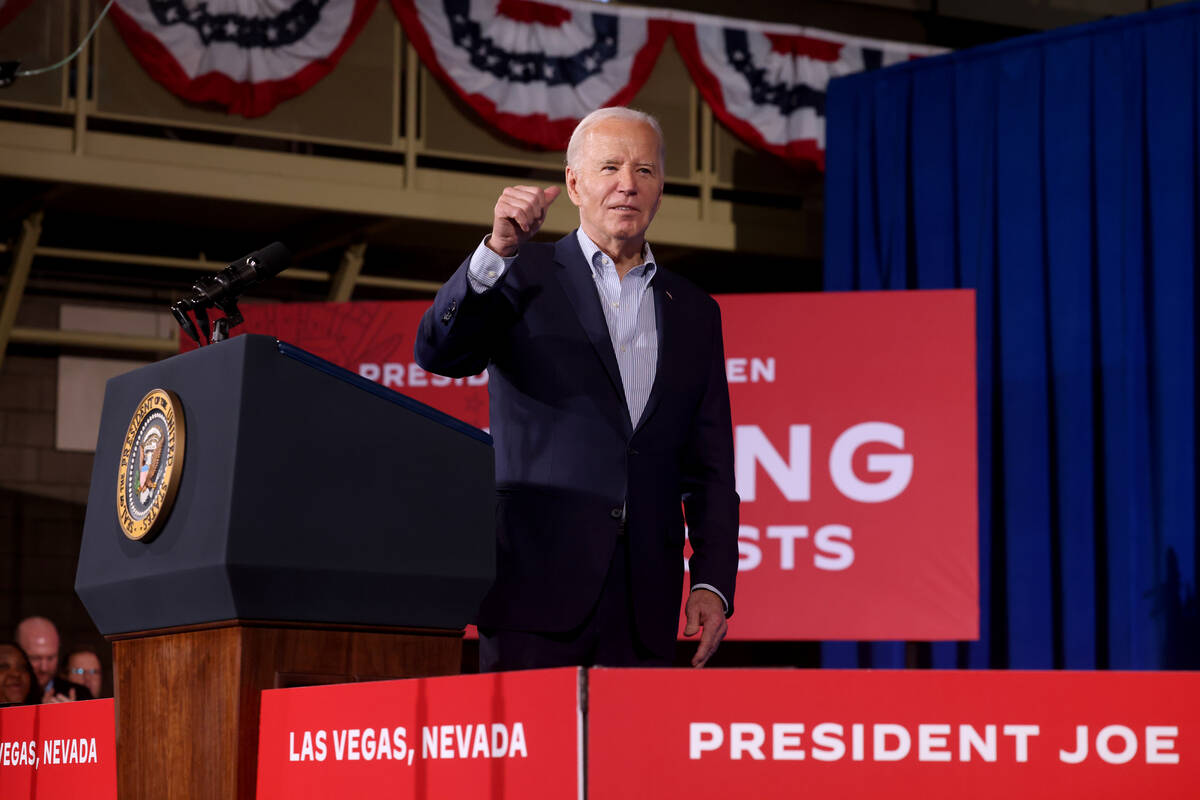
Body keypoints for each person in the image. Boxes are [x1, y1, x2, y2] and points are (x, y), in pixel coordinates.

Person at [416, 106, 739, 671]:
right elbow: (440, 353)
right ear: (573, 182)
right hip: (535, 587)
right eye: (609, 167)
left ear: (661, 188)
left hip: (645, 603)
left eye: (644, 170)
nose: (626, 184)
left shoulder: (694, 310)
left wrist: (712, 581)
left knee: (630, 758)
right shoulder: (519, 271)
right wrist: (494, 252)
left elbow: (710, 466)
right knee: (529, 759)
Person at [15, 616, 93, 702]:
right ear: (18, 655)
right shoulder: (8, 695)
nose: (44, 668)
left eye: (50, 658)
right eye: (35, 658)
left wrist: (74, 713)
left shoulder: (81, 695)